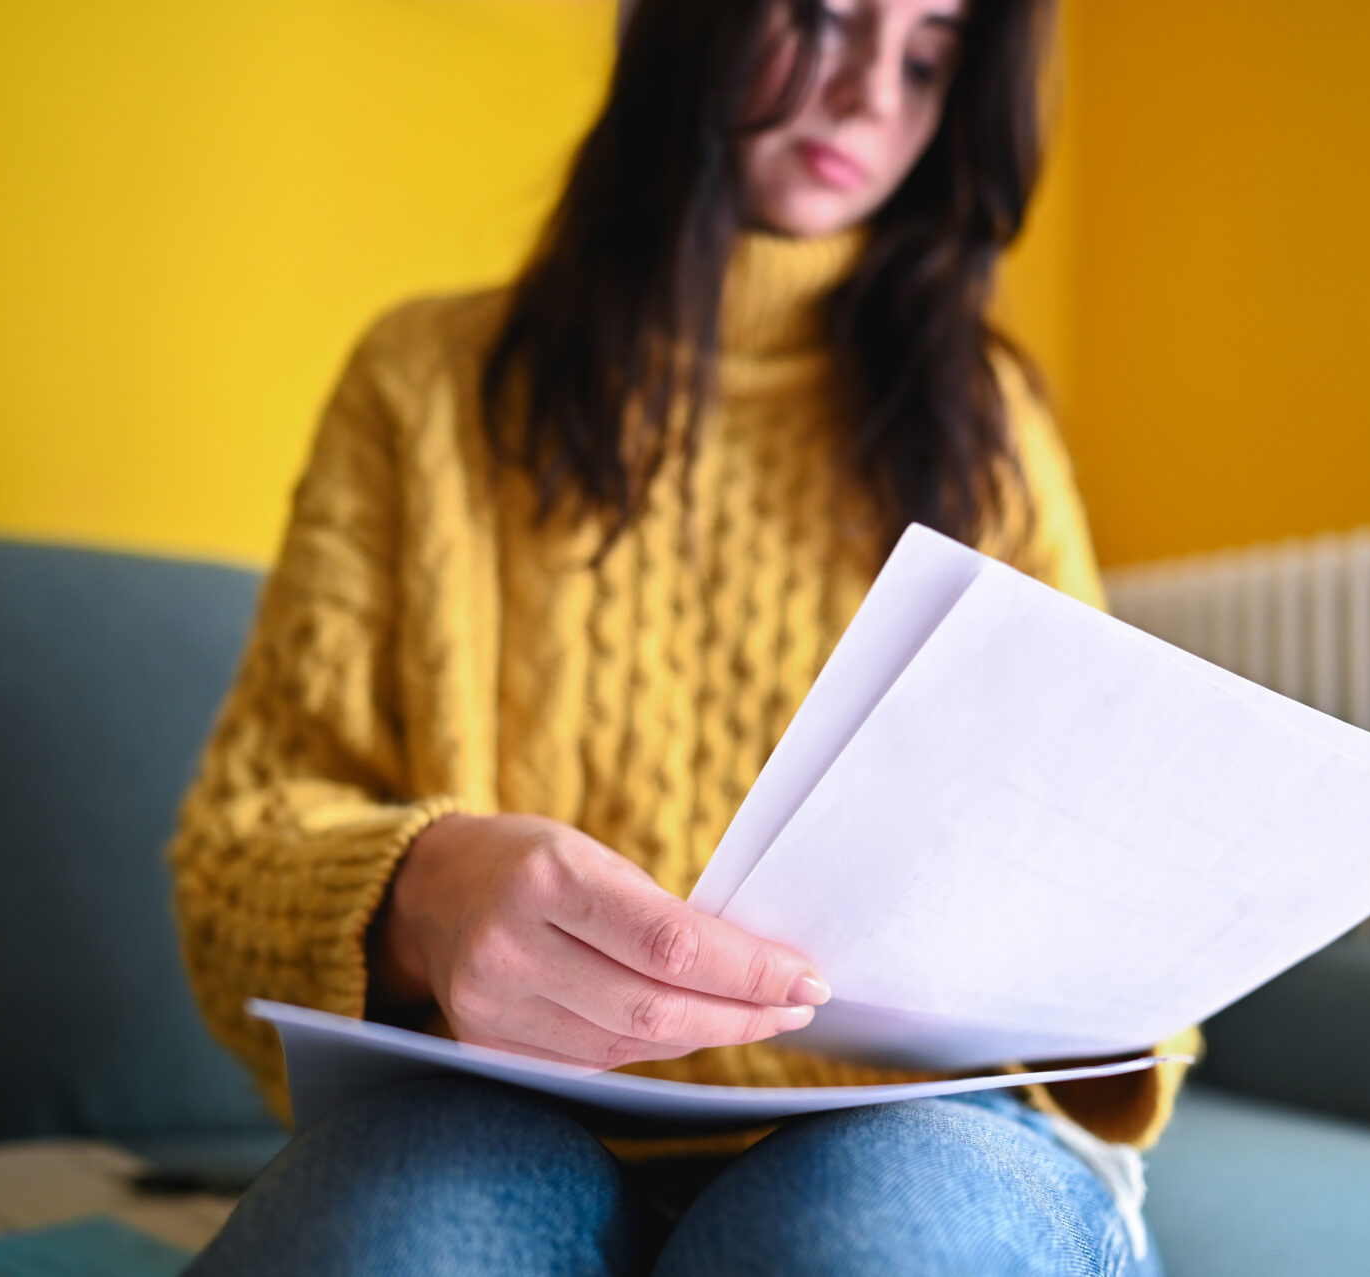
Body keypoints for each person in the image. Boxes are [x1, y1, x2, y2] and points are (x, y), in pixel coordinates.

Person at [170, 0, 1199, 1271]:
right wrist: (424, 892)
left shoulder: (991, 429)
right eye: (825, 19)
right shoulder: (419, 387)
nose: (874, 94)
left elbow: (1104, 849)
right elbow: (231, 858)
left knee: (874, 1246)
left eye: (930, 58)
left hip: (920, 1118)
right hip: (489, 1108)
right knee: (399, 1244)